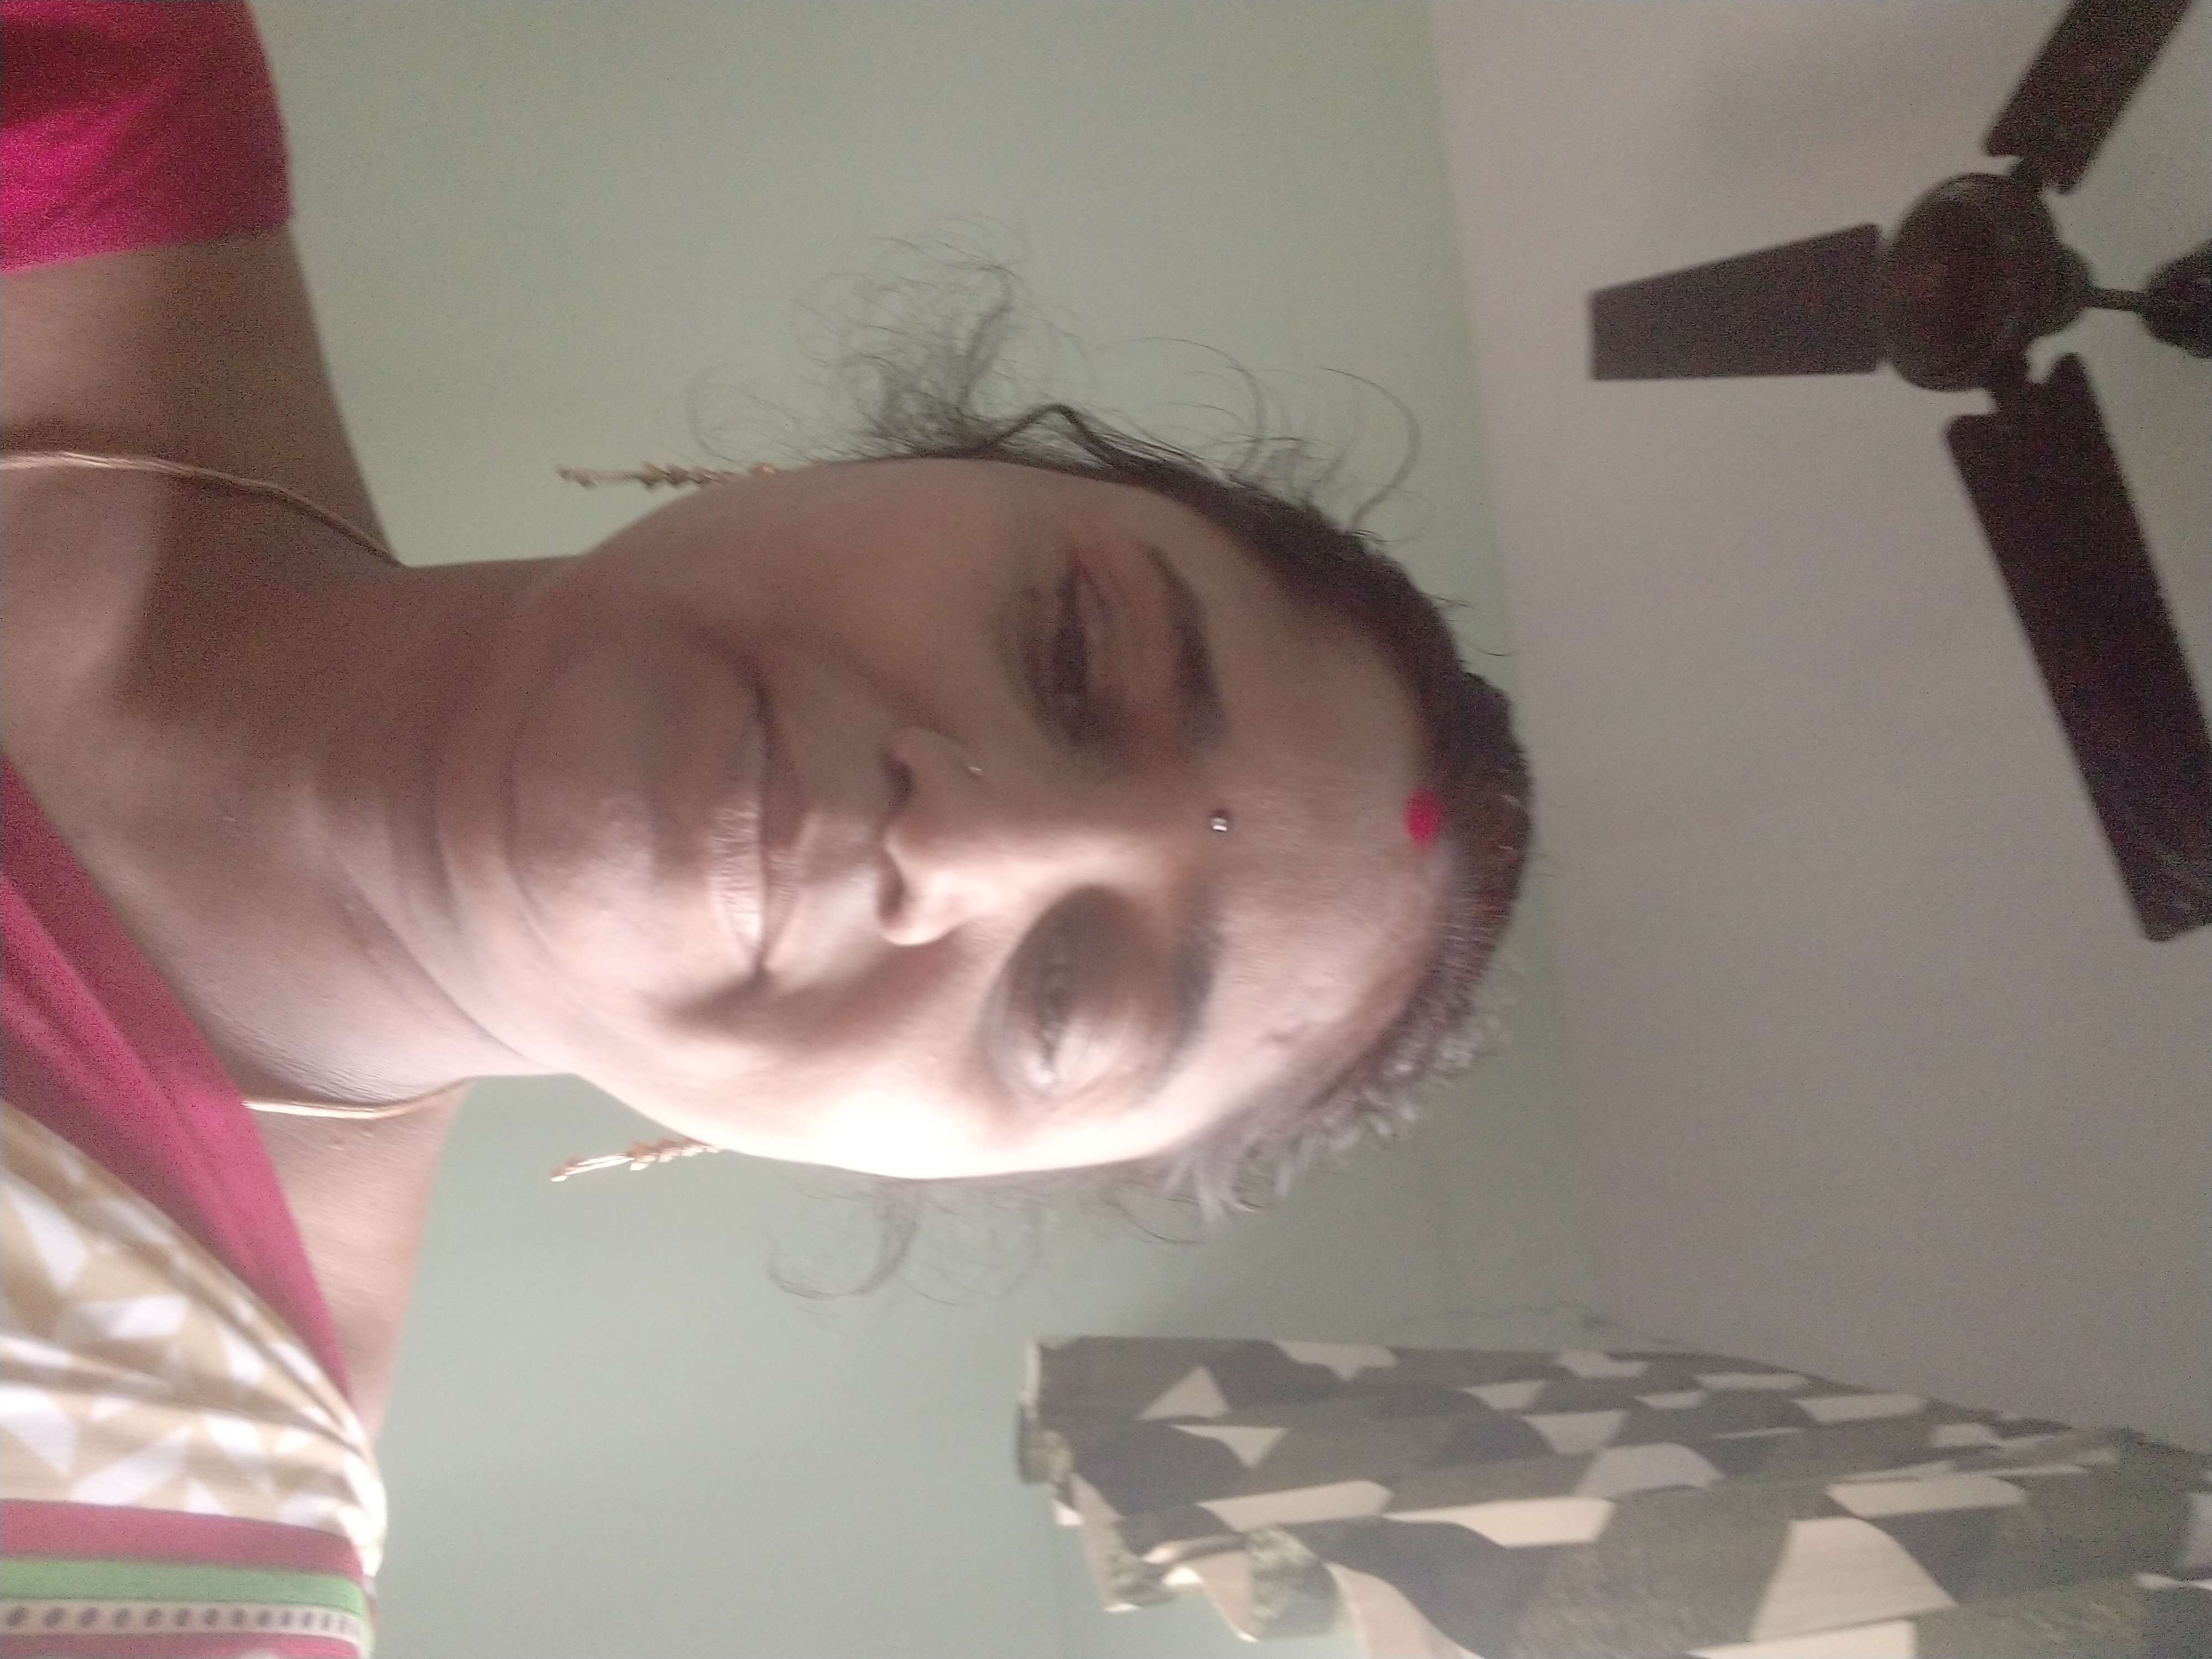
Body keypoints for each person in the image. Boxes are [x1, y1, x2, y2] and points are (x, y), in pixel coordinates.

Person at [0, 3, 1527, 1648]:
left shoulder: (150, 1557)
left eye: (1066, 997)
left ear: (896, 1161)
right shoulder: (91, 68)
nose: (961, 847)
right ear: (895, 467)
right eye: (1073, 657)